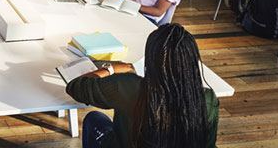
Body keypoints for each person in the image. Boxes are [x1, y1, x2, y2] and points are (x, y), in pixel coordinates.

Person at [67, 23, 219, 148]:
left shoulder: (128, 86)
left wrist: (111, 69)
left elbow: (75, 87)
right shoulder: (207, 99)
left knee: (94, 119)